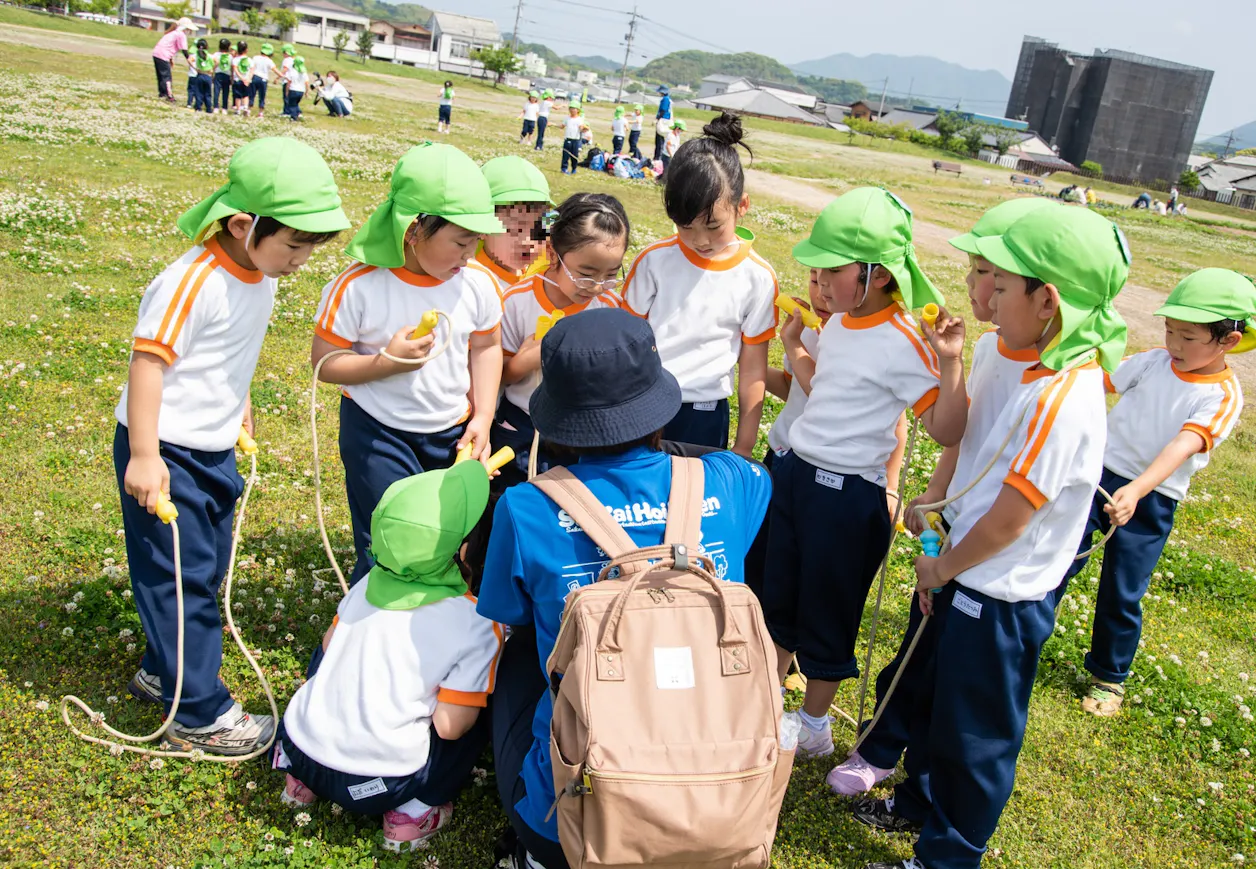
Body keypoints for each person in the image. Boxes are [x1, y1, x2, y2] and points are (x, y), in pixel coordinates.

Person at [856, 205, 1130, 869]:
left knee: (975, 735)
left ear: (1048, 300)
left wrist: (943, 567)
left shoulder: (1063, 397)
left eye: (999, 286)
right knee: (936, 699)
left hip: (1000, 593)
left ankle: (949, 855)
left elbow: (1011, 518)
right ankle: (917, 803)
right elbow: (970, 446)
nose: (984, 296)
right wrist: (938, 532)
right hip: (962, 569)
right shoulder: (998, 353)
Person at [477, 307, 773, 869]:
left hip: (576, 821)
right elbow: (744, 474)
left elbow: (504, 610)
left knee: (520, 650)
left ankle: (534, 852)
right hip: (722, 807)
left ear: (558, 417)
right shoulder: (735, 482)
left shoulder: (525, 507)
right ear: (659, 404)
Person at [116, 138, 349, 754]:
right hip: (166, 452)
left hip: (212, 448)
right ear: (244, 224)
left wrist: (237, 402)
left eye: (310, 247)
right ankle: (197, 713)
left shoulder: (258, 274)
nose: (301, 259)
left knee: (205, 568)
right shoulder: (191, 282)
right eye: (294, 244)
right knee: (181, 578)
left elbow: (225, 354)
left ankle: (162, 670)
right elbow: (149, 363)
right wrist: (144, 457)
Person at [828, 196, 1057, 796]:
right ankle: (878, 748)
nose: (973, 285)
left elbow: (1017, 495)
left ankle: (923, 784)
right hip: (952, 525)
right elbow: (959, 434)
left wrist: (946, 558)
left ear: (1046, 299)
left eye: (989, 276)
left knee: (952, 676)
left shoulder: (1055, 386)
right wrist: (931, 497)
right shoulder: (985, 349)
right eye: (978, 272)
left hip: (987, 556)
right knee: (916, 646)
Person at [765, 186, 965, 761]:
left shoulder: (906, 340)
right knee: (779, 594)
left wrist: (950, 363)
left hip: (846, 497)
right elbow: (827, 390)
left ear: (878, 274)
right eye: (818, 270)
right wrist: (795, 349)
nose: (821, 284)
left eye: (834, 270)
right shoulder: (843, 324)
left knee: (827, 609)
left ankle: (813, 725)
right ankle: (767, 703)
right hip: (798, 478)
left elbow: (946, 429)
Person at [274, 463, 503, 851]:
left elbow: (329, 647)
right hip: (376, 785)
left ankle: (300, 786)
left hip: (299, 749)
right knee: (473, 707)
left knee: (333, 654)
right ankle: (412, 814)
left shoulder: (366, 584)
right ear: (465, 550)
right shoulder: (475, 622)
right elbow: (449, 727)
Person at [1060, 268, 1251, 718]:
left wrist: (1137, 491)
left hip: (1150, 498)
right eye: (1169, 330)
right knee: (1059, 558)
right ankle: (1024, 637)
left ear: (1229, 341)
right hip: (1097, 477)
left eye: (1188, 336)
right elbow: (1098, 381)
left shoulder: (1223, 395)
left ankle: (1108, 676)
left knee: (1122, 591)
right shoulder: (1151, 361)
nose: (1174, 344)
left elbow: (1181, 447)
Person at [311, 143, 505, 587]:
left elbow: (486, 347)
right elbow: (324, 363)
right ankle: (368, 623)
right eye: (459, 241)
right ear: (414, 231)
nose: (469, 255)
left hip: (450, 431)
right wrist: (384, 364)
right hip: (377, 432)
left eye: (475, 241)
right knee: (388, 537)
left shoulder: (476, 284)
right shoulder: (359, 286)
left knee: (447, 535)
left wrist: (484, 414)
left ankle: (433, 621)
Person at [623, 113, 777, 453]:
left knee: (693, 502)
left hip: (705, 415)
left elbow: (753, 370)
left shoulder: (758, 277)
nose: (700, 239)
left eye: (713, 225)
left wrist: (745, 447)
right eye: (685, 226)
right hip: (644, 404)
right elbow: (626, 341)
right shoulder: (653, 261)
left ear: (743, 206)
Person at [494, 193, 630, 486]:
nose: (596, 287)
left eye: (609, 275)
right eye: (586, 274)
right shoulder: (517, 302)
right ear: (554, 254)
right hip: (520, 426)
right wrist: (528, 358)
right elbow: (498, 374)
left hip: (583, 432)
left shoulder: (610, 308)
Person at [474, 156, 553, 297]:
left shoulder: (544, 271)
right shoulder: (473, 285)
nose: (529, 241)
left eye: (539, 228)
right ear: (482, 226)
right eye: (517, 228)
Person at [151, 17, 196, 104]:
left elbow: (167, 45)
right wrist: (190, 61)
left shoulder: (173, 33)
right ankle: (169, 96)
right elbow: (184, 50)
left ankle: (162, 94)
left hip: (157, 54)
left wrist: (170, 59)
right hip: (163, 55)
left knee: (161, 76)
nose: (189, 31)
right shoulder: (181, 34)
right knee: (166, 77)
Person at [559, 102, 587, 175]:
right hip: (567, 139)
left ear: (577, 110)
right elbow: (562, 126)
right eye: (570, 108)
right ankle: (564, 169)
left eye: (574, 109)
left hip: (575, 140)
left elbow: (581, 128)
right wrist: (552, 124)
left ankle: (574, 168)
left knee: (574, 156)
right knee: (565, 155)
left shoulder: (579, 119)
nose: (572, 110)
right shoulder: (567, 118)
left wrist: (584, 129)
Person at [249, 43, 275, 117]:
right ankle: (260, 112)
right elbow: (274, 69)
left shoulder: (255, 57)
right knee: (262, 96)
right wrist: (281, 76)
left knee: (252, 94)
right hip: (263, 79)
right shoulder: (269, 61)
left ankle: (248, 109)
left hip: (255, 77)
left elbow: (252, 67)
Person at [191, 38, 214, 114]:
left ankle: (198, 107)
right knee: (208, 93)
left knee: (199, 92)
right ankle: (208, 108)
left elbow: (190, 60)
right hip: (208, 75)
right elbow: (216, 61)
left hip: (200, 75)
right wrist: (212, 68)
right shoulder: (209, 56)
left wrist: (195, 68)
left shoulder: (197, 55)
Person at [282, 55, 308, 121]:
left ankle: (294, 118)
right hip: (301, 91)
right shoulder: (304, 72)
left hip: (293, 89)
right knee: (296, 103)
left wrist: (287, 91)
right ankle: (298, 114)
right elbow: (307, 83)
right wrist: (306, 92)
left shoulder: (292, 71)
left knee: (292, 104)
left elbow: (289, 82)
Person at [211, 39, 233, 115]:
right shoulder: (230, 56)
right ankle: (224, 108)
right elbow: (231, 67)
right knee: (225, 92)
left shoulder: (216, 54)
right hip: (227, 75)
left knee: (216, 91)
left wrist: (212, 72)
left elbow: (212, 62)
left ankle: (216, 107)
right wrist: (232, 77)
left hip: (218, 74)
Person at [231, 41, 252, 116]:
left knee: (237, 96)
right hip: (246, 80)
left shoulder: (235, 59)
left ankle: (238, 109)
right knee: (246, 95)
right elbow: (252, 70)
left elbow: (235, 70)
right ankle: (246, 108)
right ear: (246, 50)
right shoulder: (249, 60)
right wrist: (248, 79)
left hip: (238, 80)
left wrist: (240, 77)